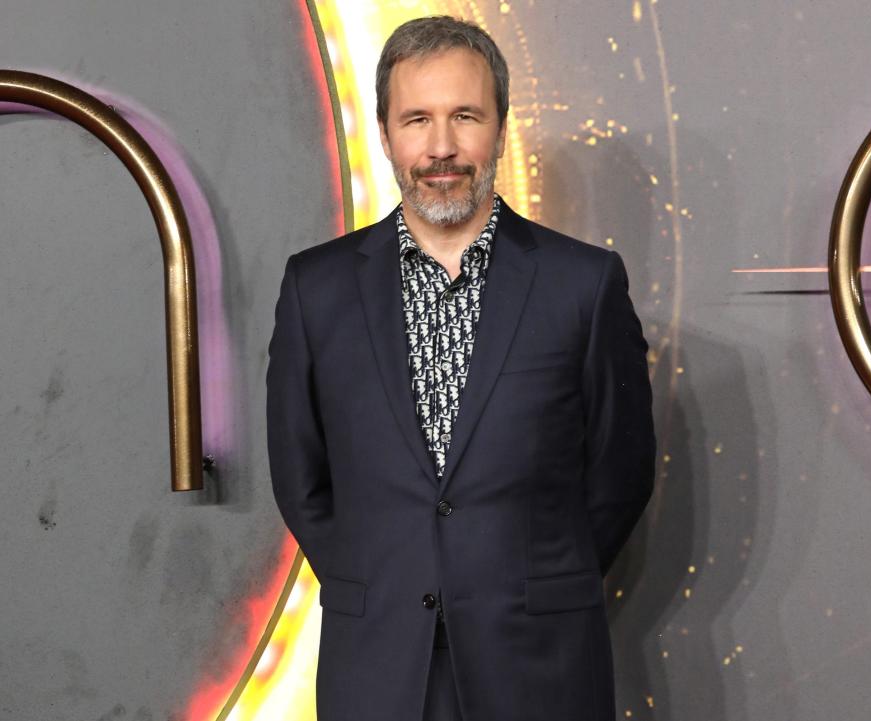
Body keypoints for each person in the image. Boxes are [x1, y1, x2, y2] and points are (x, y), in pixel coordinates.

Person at [266, 15, 656, 721]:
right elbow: (301, 477)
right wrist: (388, 576)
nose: (440, 147)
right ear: (384, 134)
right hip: (377, 663)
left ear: (500, 128)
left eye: (464, 116)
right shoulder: (314, 289)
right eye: (416, 119)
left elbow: (619, 473)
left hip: (540, 663)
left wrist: (529, 578)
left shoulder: (583, 283)